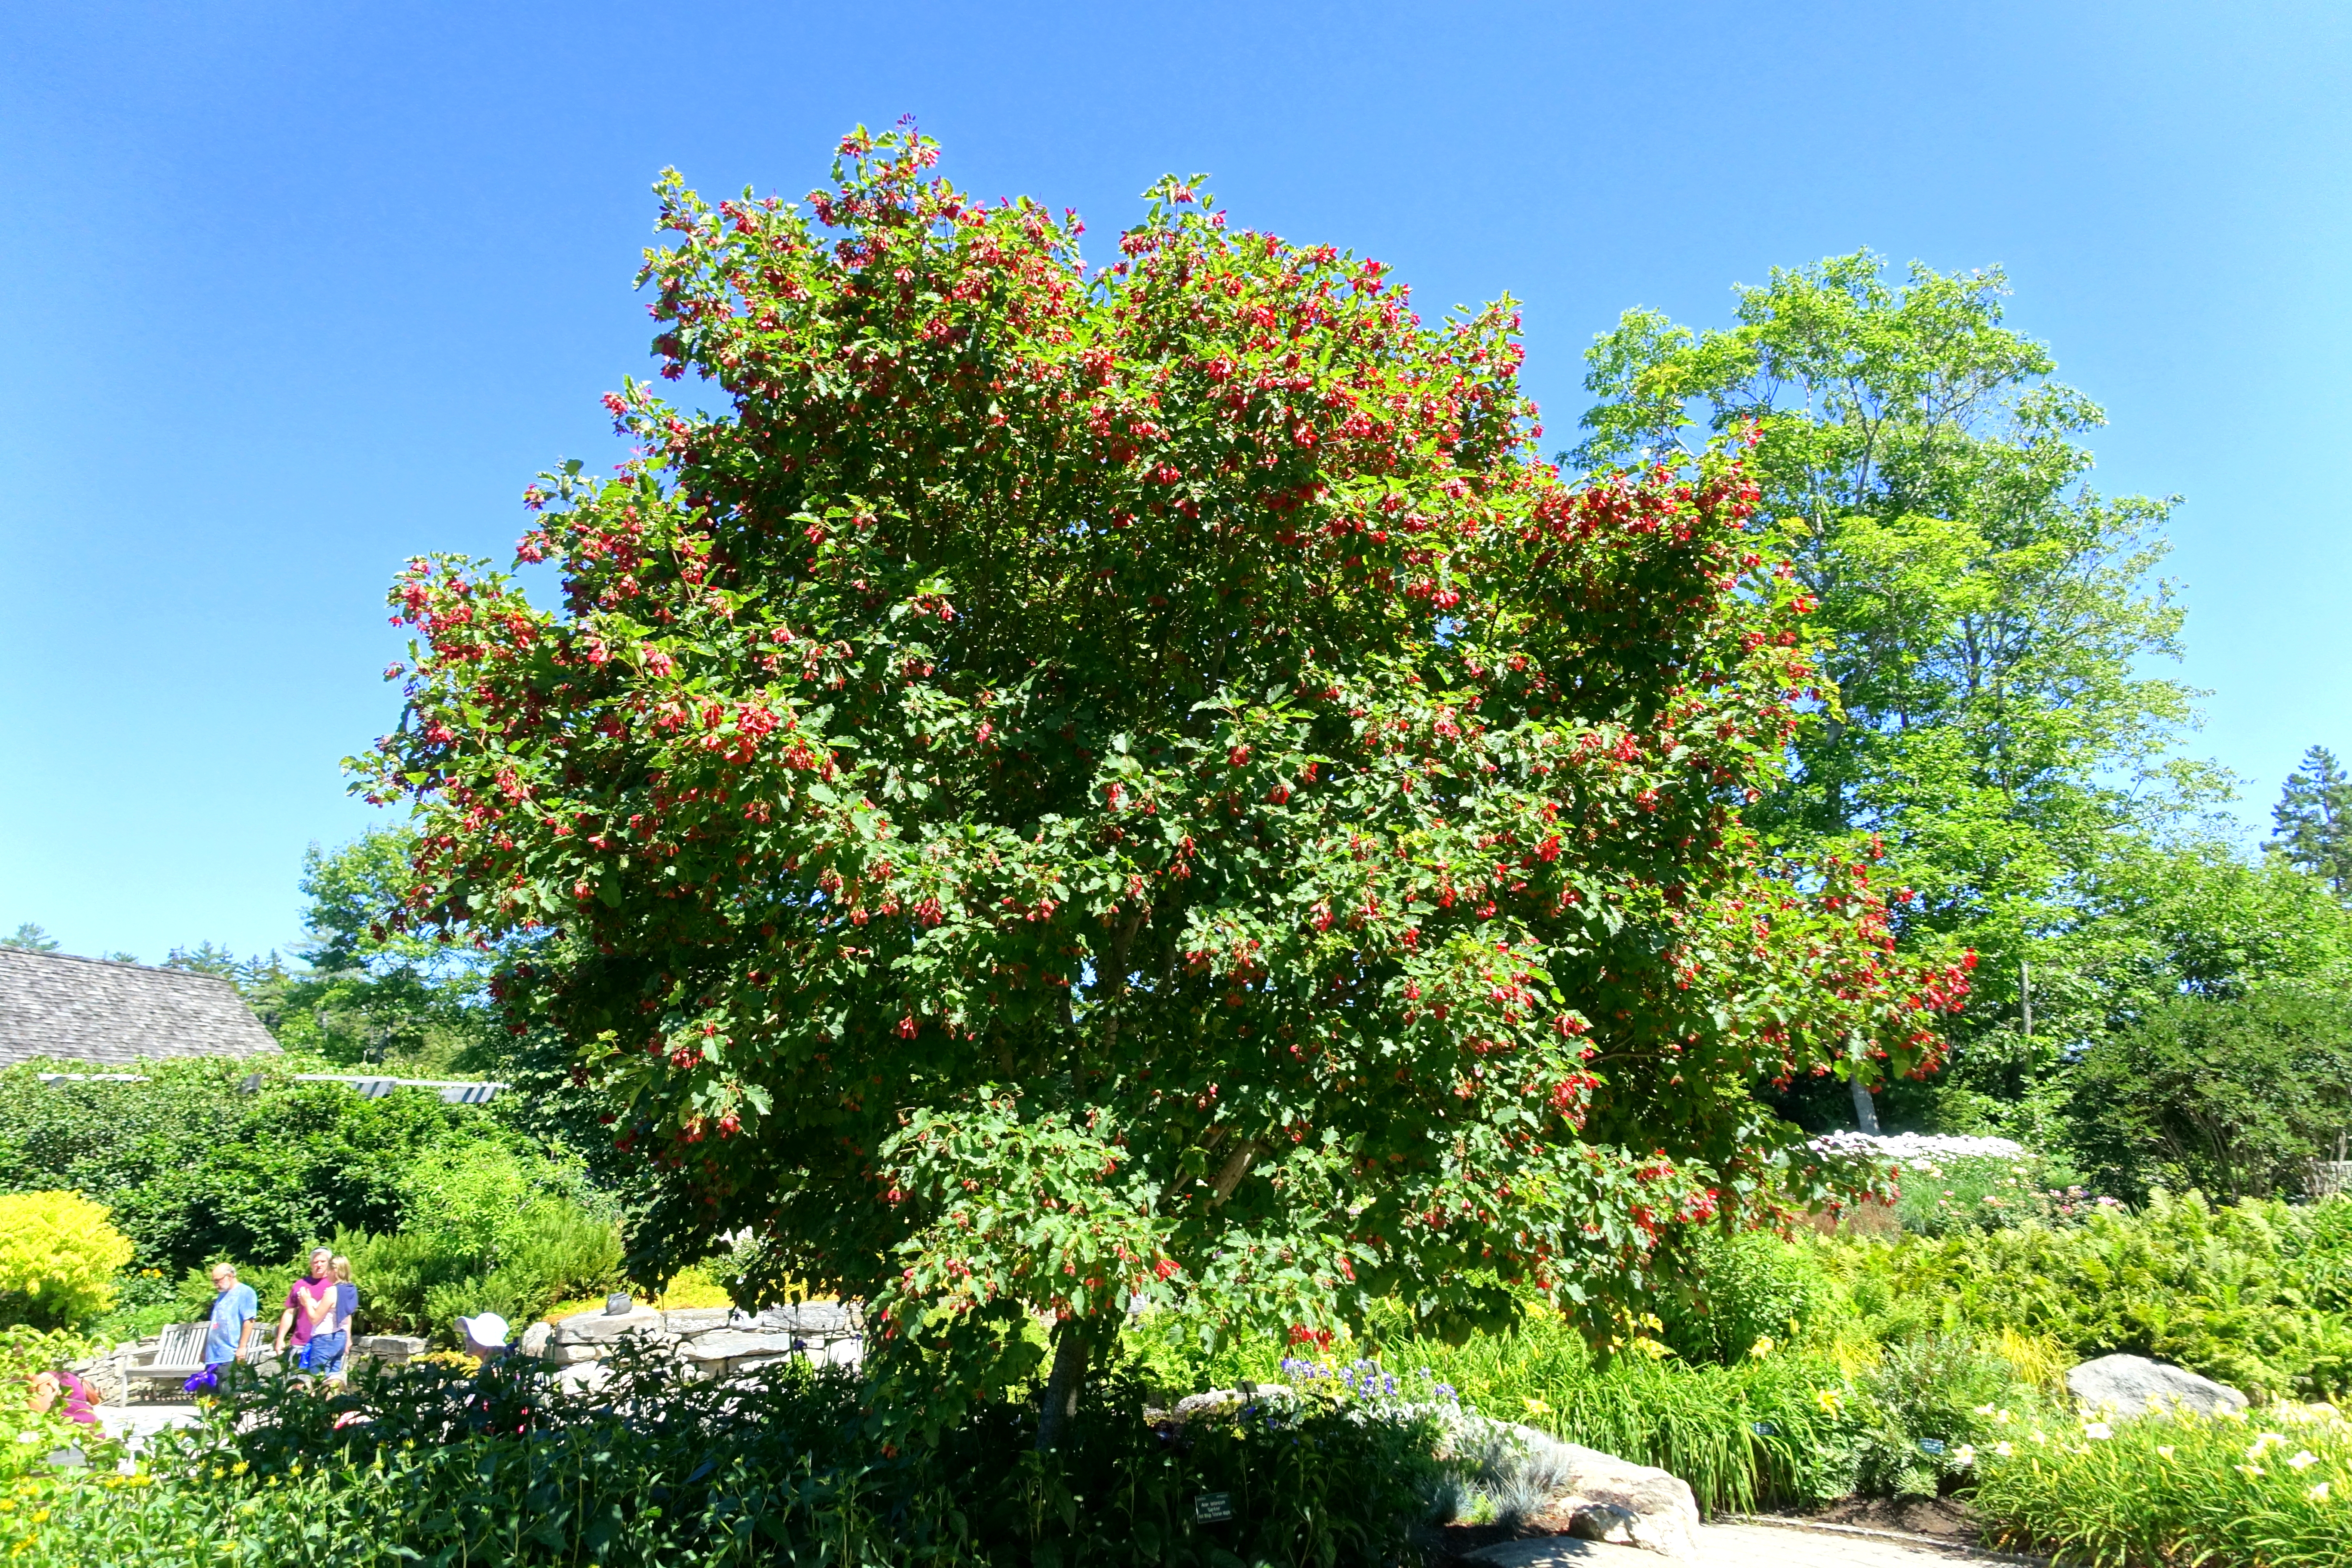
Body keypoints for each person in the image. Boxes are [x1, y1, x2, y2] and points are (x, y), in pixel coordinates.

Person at [184, 1261, 259, 1395]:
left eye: (217, 1281)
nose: (215, 1285)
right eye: (214, 1281)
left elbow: (249, 1321)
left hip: (230, 1355)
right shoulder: (222, 1295)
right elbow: (214, 1324)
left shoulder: (245, 1293)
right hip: (213, 1356)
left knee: (230, 1397)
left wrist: (242, 1348)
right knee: (214, 1398)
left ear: (230, 1276)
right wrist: (204, 1349)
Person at [275, 1248, 339, 1373]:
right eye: (316, 1262)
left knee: (322, 1384)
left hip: (325, 1342)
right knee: (297, 1383)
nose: (319, 1265)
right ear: (311, 1265)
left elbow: (345, 1314)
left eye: (323, 1261)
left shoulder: (334, 1285)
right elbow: (289, 1312)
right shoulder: (300, 1284)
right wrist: (280, 1339)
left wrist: (347, 1338)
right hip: (301, 1342)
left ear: (329, 1263)